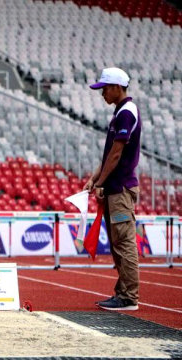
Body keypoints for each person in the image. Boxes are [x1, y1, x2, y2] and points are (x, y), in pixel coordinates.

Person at [84, 67, 141, 311]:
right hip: (115, 187)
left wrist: (100, 182)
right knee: (119, 242)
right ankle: (123, 293)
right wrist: (94, 178)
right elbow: (109, 155)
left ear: (117, 87)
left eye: (105, 88)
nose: (102, 94)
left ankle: (129, 297)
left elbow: (116, 154)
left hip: (120, 188)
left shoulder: (126, 113)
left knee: (124, 242)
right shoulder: (121, 112)